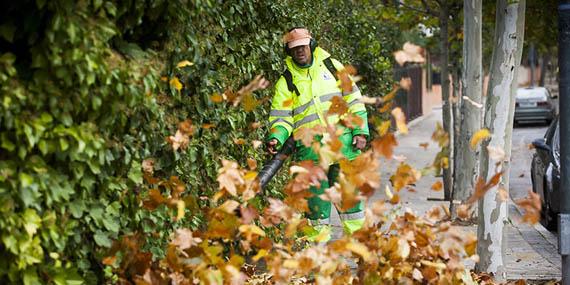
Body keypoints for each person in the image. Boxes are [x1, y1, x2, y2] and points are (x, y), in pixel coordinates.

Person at [266, 27, 369, 242]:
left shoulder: (333, 67)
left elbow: (354, 100)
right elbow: (281, 117)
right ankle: (315, 261)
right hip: (310, 156)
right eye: (295, 49)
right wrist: (276, 136)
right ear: (288, 51)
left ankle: (362, 253)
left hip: (343, 148)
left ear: (311, 45)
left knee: (351, 206)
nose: (300, 51)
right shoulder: (286, 82)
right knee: (315, 213)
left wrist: (360, 131)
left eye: (303, 46)